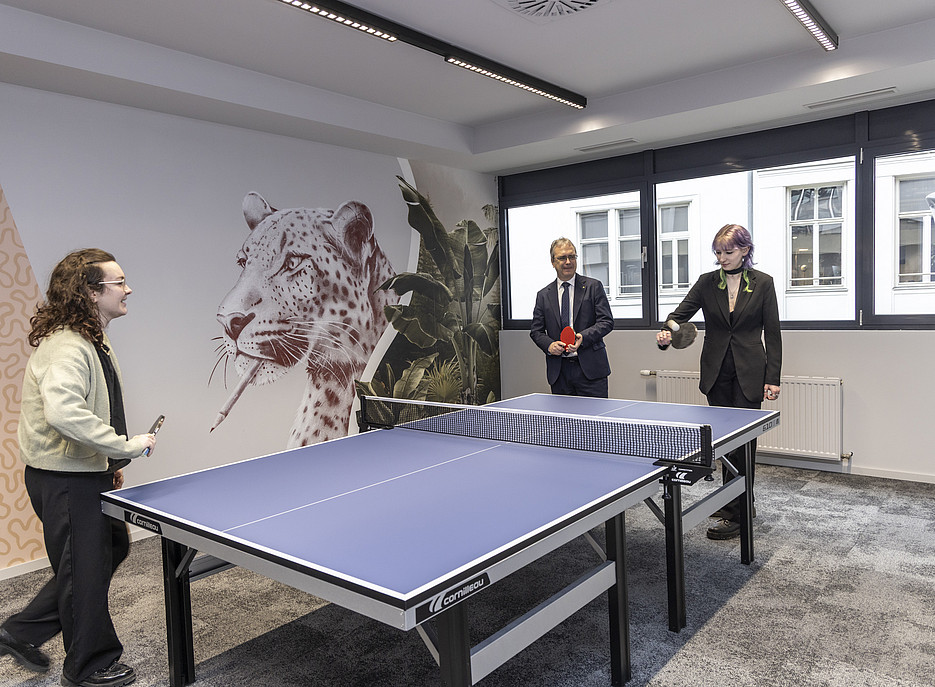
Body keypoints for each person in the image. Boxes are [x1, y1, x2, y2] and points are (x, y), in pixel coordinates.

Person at [0, 249, 156, 687]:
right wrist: (126, 446)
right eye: (119, 282)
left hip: (83, 472)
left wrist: (107, 461)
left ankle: (19, 631)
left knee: (109, 550)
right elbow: (64, 413)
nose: (128, 289)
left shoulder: (91, 338)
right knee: (83, 569)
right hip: (65, 479)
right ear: (91, 292)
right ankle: (88, 666)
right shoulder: (68, 346)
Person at [656, 224, 781, 540]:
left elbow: (774, 333)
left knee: (745, 443)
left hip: (750, 371)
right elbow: (677, 315)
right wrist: (667, 333)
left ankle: (738, 510)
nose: (721, 257)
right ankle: (736, 505)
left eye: (728, 252)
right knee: (725, 443)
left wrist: (773, 377)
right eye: (718, 252)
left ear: (744, 250)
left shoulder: (763, 283)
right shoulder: (707, 283)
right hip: (716, 372)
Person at [530, 237, 614, 397]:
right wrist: (549, 346)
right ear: (553, 262)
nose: (568, 261)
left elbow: (607, 322)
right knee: (564, 422)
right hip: (559, 372)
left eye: (572, 256)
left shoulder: (593, 287)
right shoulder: (543, 295)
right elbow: (536, 331)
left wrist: (583, 337)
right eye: (562, 258)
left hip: (591, 371)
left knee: (594, 421)